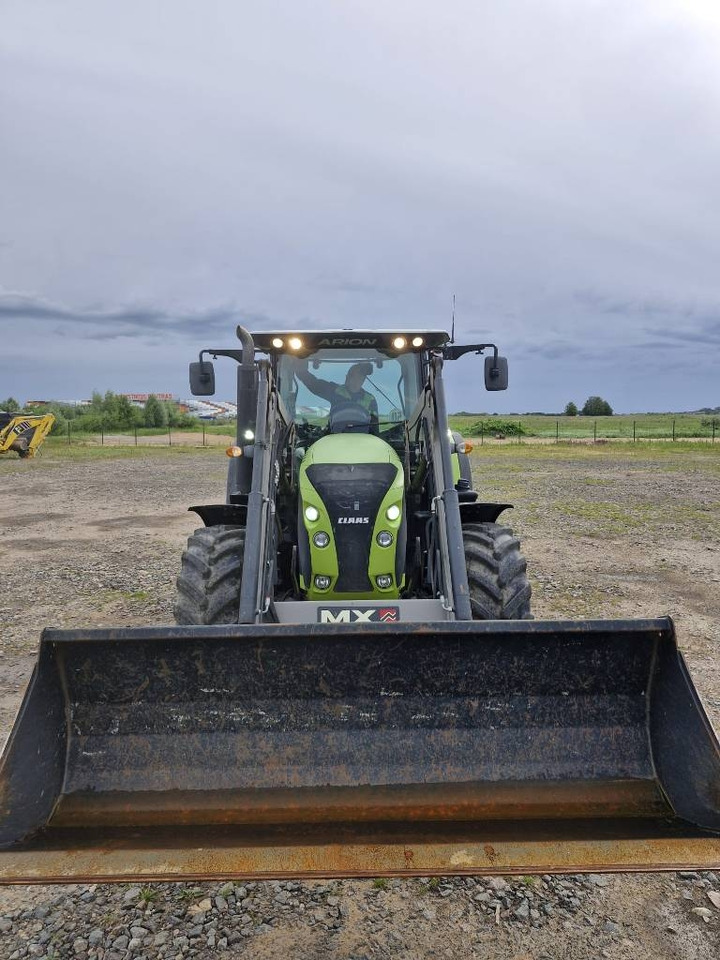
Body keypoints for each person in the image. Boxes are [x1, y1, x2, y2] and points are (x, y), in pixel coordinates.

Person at [293, 359, 379, 432]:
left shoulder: (370, 400)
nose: (348, 377)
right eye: (349, 374)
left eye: (354, 375)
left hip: (362, 439)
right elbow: (314, 384)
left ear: (363, 379)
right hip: (334, 435)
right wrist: (301, 371)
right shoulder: (335, 390)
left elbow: (374, 427)